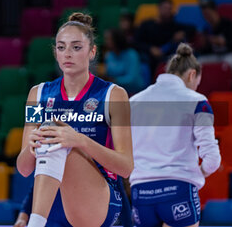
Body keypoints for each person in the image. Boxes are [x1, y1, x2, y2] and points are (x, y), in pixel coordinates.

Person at [17, 12, 134, 227]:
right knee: (50, 132)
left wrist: (79, 140)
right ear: (55, 53)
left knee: (55, 133)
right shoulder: (37, 94)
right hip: (52, 206)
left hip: (98, 201)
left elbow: (126, 167)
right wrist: (32, 147)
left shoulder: (114, 94)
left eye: (76, 47)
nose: (67, 53)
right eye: (61, 47)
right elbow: (24, 169)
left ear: (92, 52)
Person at [129, 43, 221, 227]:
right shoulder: (197, 101)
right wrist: (200, 172)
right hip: (178, 188)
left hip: (140, 193)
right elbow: (211, 158)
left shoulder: (133, 102)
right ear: (192, 75)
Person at [135, 0, 196, 71]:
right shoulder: (147, 24)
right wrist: (150, 49)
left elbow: (192, 28)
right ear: (159, 8)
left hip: (167, 56)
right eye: (165, 8)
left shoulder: (172, 25)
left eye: (170, 9)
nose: (167, 11)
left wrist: (182, 33)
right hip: (149, 56)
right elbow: (136, 42)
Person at [103, 29, 145, 94]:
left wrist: (114, 80)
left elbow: (132, 79)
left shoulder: (132, 54)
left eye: (108, 39)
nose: (106, 42)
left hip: (133, 92)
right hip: (115, 92)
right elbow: (108, 74)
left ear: (116, 40)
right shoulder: (109, 55)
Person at [197, 0, 232, 67]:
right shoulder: (206, 28)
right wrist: (204, 44)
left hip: (228, 54)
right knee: (199, 61)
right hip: (215, 55)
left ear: (215, 11)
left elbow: (227, 42)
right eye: (204, 14)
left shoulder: (228, 24)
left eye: (208, 13)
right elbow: (206, 50)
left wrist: (222, 41)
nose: (207, 16)